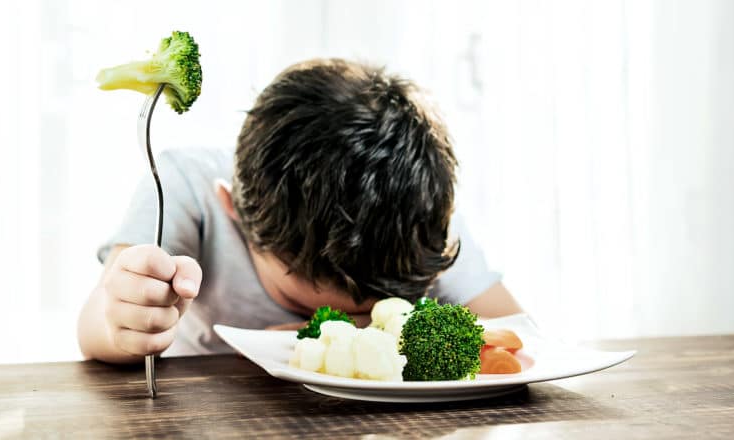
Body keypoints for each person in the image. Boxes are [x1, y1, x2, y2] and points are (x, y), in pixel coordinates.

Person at [77, 58, 522, 364]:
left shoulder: (415, 219)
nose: (329, 327)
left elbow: (515, 335)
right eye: (299, 307)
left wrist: (376, 337)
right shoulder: (184, 187)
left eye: (372, 308)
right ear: (231, 206)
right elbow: (95, 327)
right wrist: (122, 321)